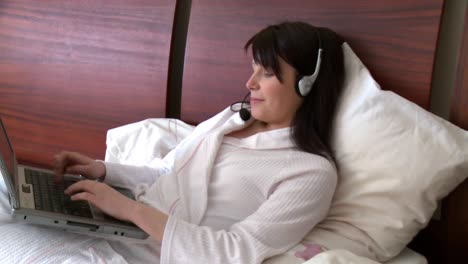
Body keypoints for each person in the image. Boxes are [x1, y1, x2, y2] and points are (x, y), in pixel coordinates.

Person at [52, 21, 345, 263]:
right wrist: (103, 171)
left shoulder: (310, 173)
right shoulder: (233, 118)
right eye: (254, 68)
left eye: (266, 73)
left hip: (151, 252)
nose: (250, 83)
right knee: (10, 196)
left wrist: (130, 210)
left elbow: (236, 250)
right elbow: (170, 172)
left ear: (306, 84)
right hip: (118, 228)